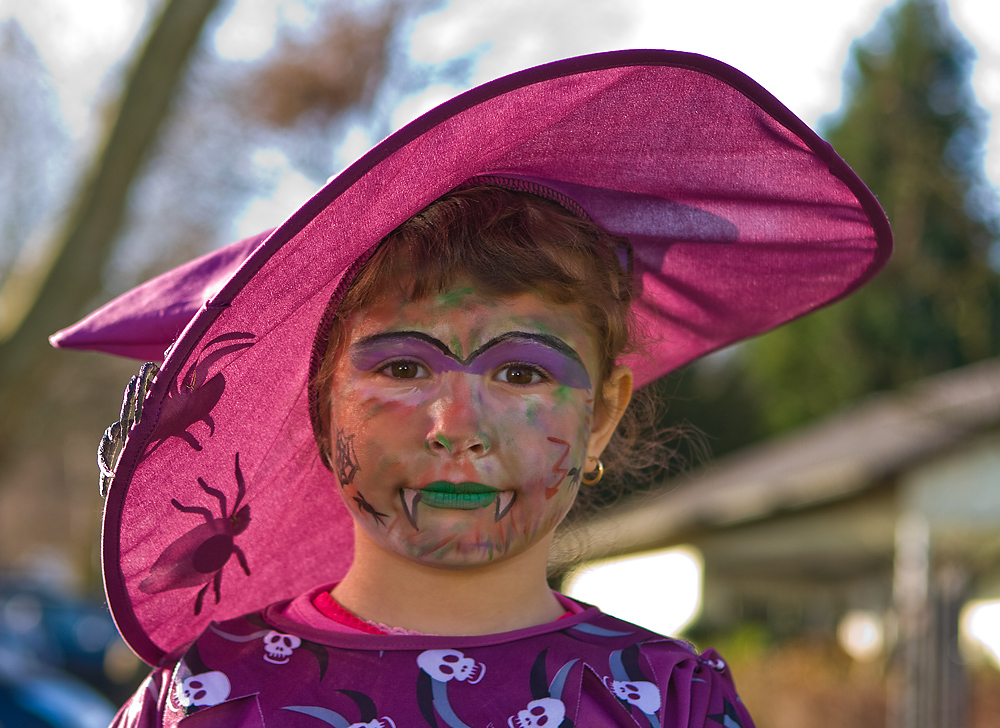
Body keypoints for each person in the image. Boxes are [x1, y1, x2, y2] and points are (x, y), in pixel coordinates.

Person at [52, 50, 891, 727]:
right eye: (404, 368)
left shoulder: (666, 703)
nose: (457, 426)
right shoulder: (204, 701)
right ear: (321, 402)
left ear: (601, 417)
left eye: (522, 372)